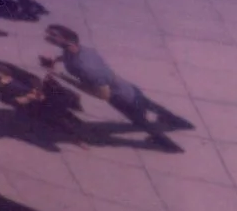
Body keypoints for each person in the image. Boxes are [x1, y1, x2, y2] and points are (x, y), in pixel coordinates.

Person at [39, 25, 185, 146]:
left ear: (67, 41)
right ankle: (178, 122)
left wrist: (62, 76)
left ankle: (167, 145)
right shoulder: (80, 50)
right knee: (149, 104)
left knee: (141, 121)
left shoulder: (85, 67)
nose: (50, 36)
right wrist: (56, 60)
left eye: (54, 35)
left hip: (121, 97)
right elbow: (69, 56)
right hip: (126, 87)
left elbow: (103, 95)